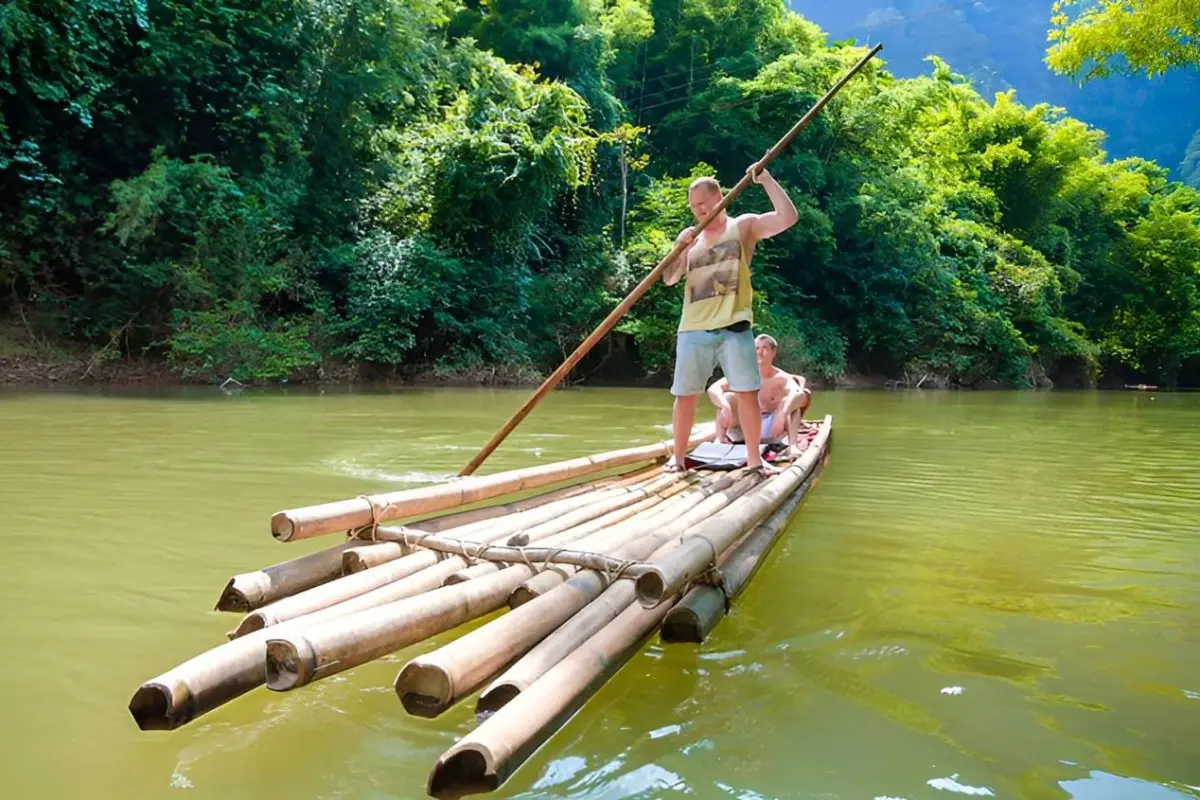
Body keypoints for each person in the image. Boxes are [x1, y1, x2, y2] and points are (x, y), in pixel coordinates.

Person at [660, 158, 799, 474]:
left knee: (747, 394)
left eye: (704, 203)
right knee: (685, 395)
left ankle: (754, 461)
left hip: (734, 327)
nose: (699, 211)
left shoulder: (743, 226)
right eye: (694, 206)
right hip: (693, 329)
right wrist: (679, 250)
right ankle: (678, 459)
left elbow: (788, 217)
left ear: (720, 198)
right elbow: (669, 278)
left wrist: (765, 180)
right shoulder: (690, 238)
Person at [708, 333, 812, 457]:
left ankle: (792, 446)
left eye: (765, 348)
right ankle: (720, 440)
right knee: (727, 398)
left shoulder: (782, 378)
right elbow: (713, 389)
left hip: (772, 430)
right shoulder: (743, 374)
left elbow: (800, 394)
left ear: (773, 353)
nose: (759, 352)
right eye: (756, 348)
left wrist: (783, 412)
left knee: (790, 403)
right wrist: (724, 405)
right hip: (745, 427)